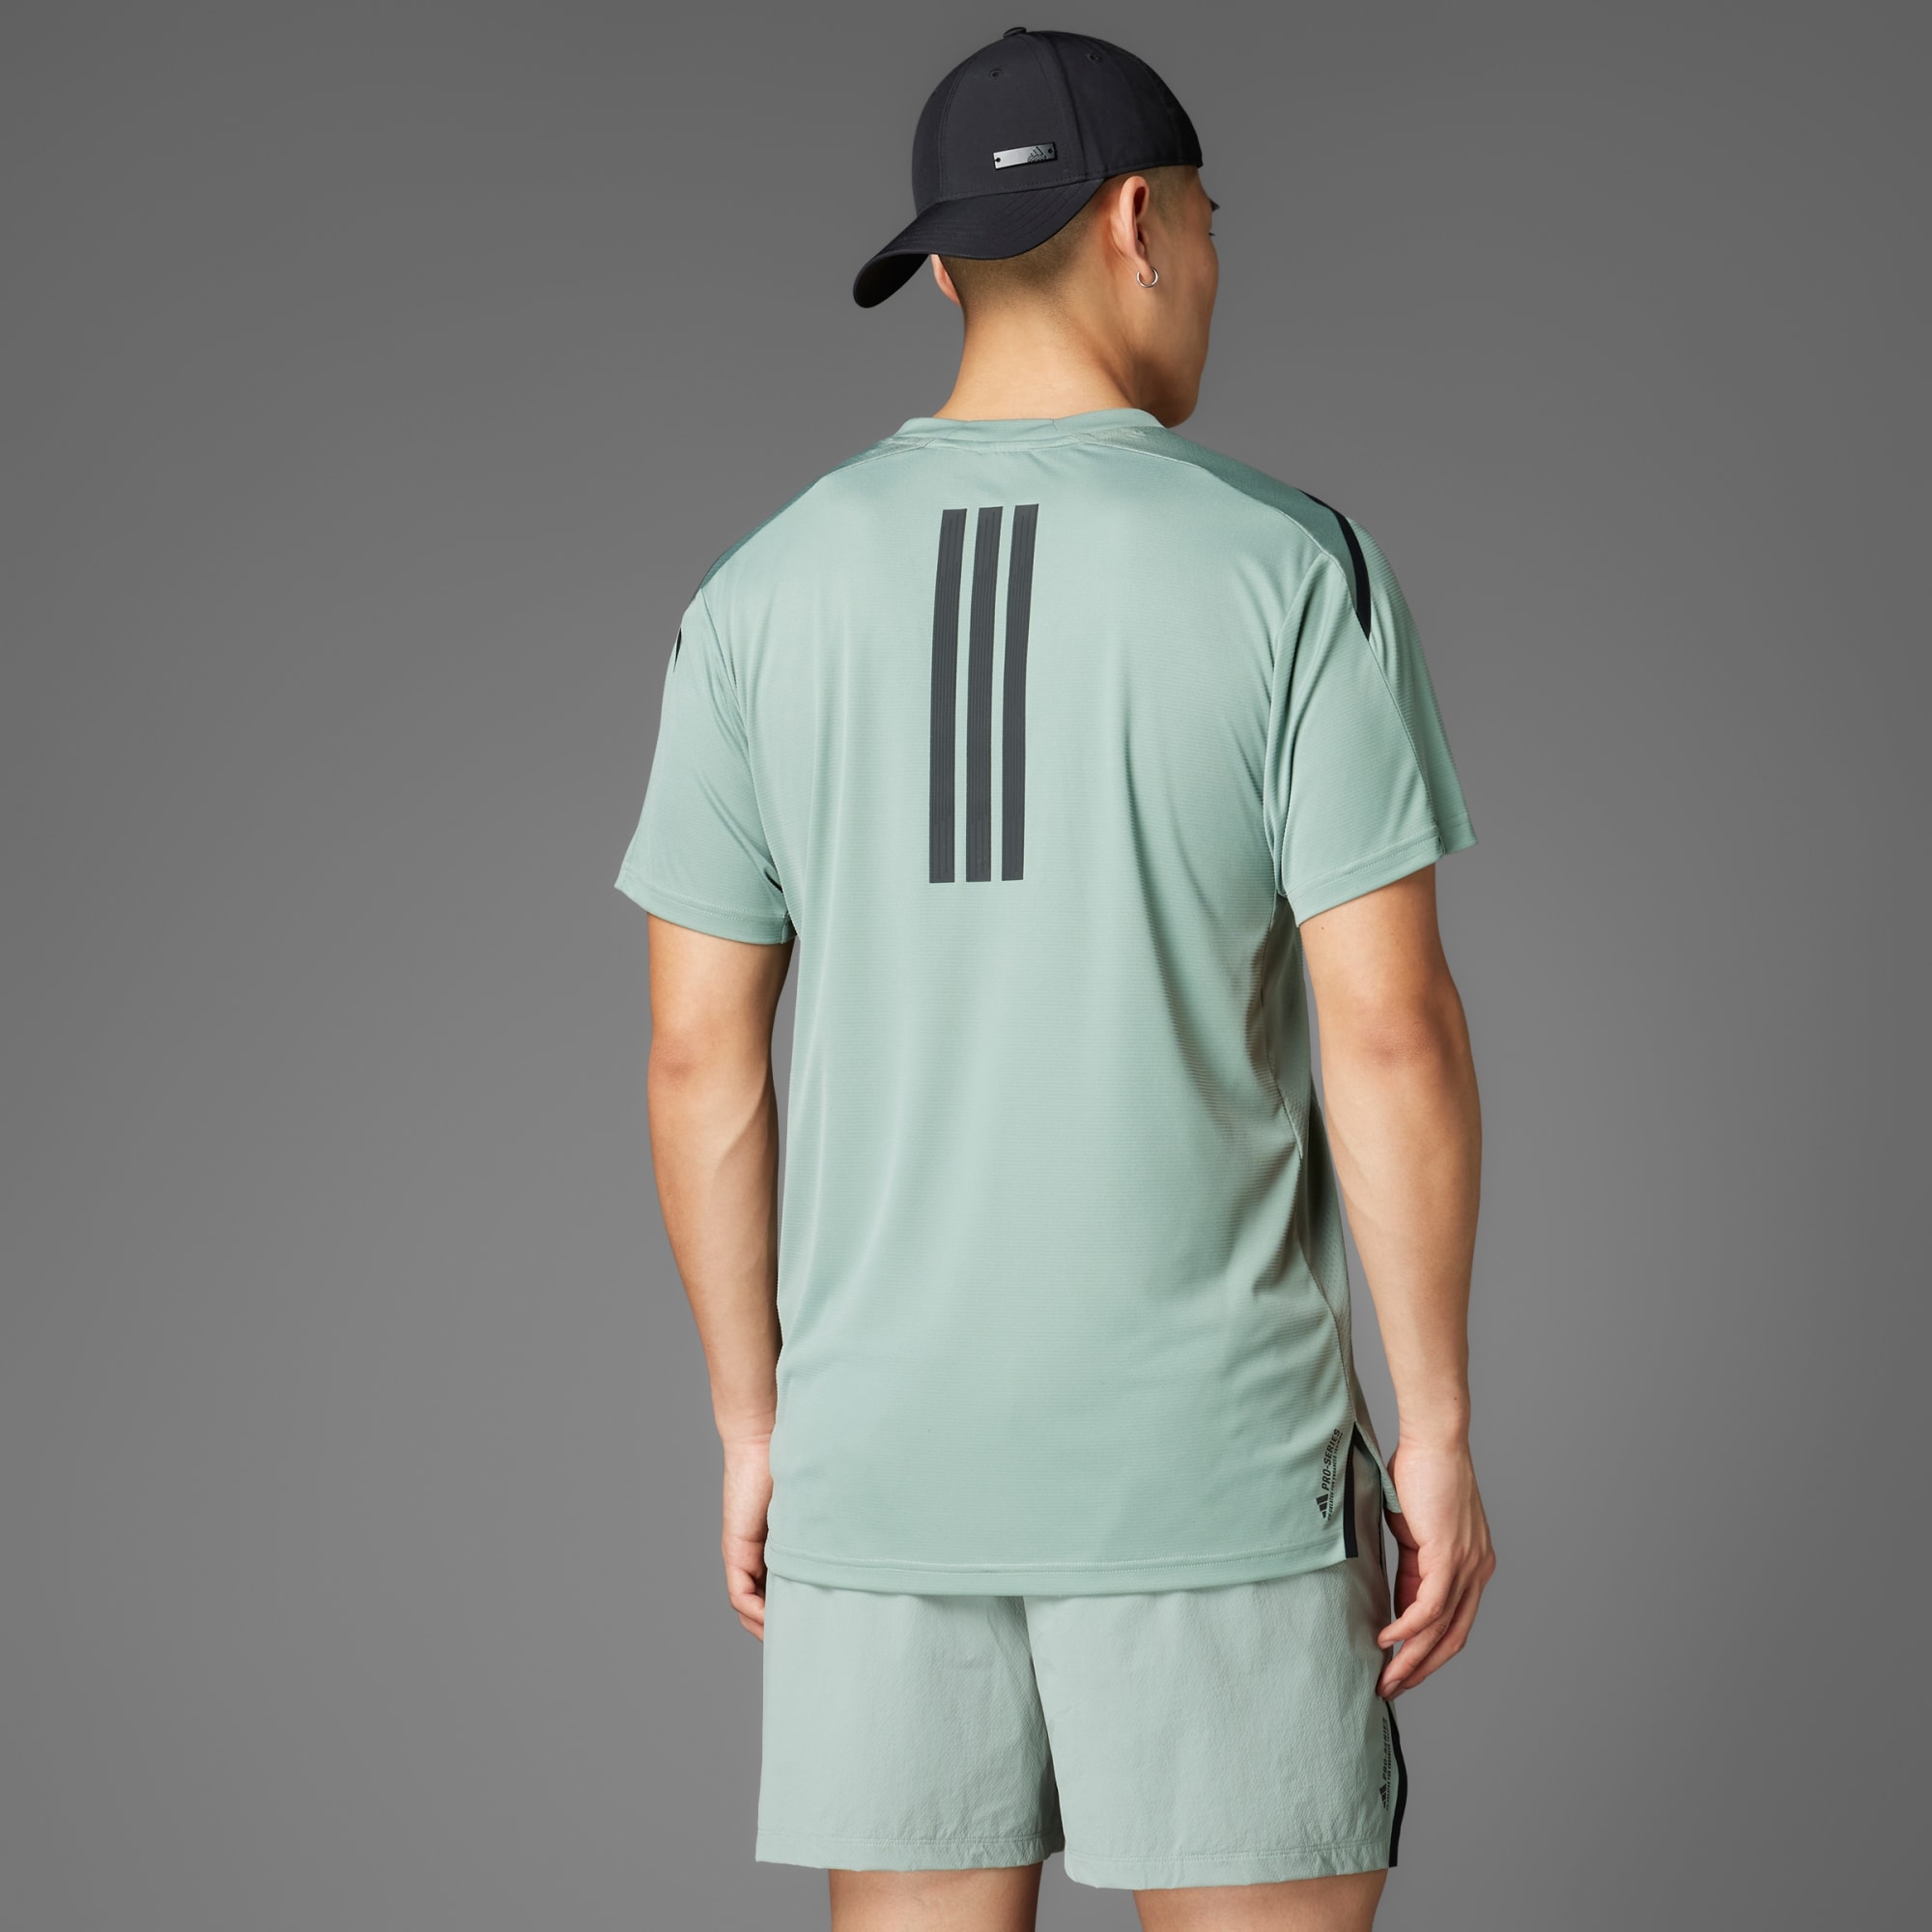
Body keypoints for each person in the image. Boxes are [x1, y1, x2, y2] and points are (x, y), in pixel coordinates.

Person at [614, 26, 1495, 1931]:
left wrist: (755, 1426)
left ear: (942, 269)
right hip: (1213, 1474)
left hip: (881, 1474)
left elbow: (698, 1059)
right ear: (1141, 222)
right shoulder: (1295, 573)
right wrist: (1434, 1427)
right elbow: (1389, 1033)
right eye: (1211, 224)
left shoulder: (753, 596)